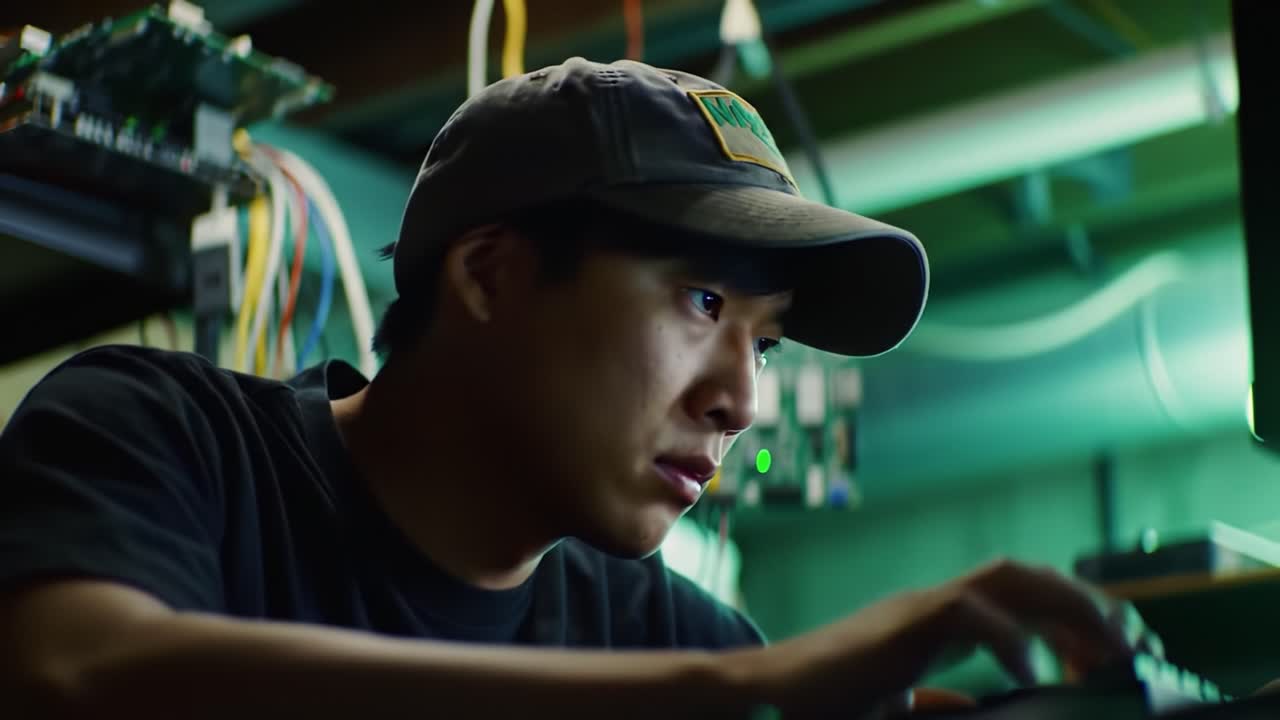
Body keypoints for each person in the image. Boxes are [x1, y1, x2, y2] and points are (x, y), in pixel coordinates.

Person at [0, 57, 1132, 718]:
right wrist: (734, 686)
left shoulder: (663, 633)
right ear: (490, 274)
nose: (740, 399)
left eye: (767, 342)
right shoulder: (166, 439)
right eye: (702, 304)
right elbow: (79, 671)